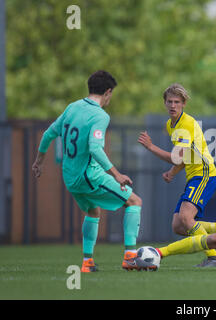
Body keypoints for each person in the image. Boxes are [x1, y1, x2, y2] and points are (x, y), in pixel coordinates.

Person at [32, 70, 143, 272]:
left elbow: (49, 133)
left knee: (93, 210)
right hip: (89, 176)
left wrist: (39, 161)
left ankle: (87, 262)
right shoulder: (100, 115)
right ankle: (130, 257)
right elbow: (94, 147)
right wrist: (116, 175)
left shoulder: (72, 108)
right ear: (108, 92)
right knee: (134, 201)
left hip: (70, 178)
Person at [138, 83, 216, 267]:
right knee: (178, 225)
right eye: (169, 101)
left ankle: (214, 257)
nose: (173, 105)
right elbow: (184, 157)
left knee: (186, 218)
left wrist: (151, 147)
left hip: (205, 174)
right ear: (165, 103)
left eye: (177, 102)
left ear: (184, 104)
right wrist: (173, 172)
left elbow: (176, 156)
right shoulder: (170, 125)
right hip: (194, 176)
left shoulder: (187, 124)